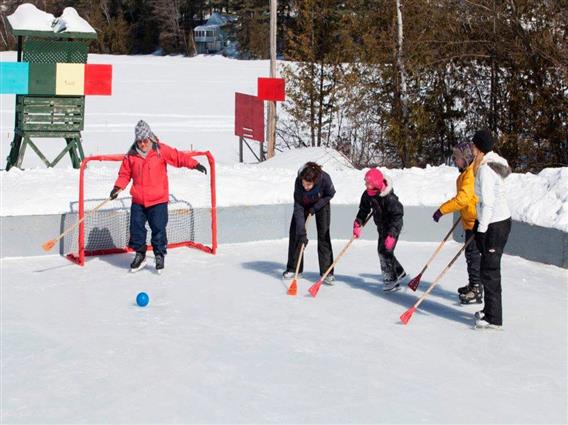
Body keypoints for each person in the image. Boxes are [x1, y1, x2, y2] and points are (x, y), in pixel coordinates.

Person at [110, 120, 207, 273]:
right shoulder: (131, 155)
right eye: (139, 141)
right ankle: (140, 255)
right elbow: (124, 174)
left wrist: (195, 164)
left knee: (159, 229)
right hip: (139, 200)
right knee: (136, 228)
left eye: (145, 140)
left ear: (150, 138)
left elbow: (178, 157)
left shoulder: (160, 150)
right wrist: (117, 187)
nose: (142, 144)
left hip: (158, 200)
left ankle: (159, 254)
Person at [471, 129, 512, 329]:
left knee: (490, 271)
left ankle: (494, 319)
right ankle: (489, 310)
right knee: (487, 267)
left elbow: (488, 203)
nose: (472, 149)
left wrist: (482, 230)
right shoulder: (495, 163)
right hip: (497, 222)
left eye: (473, 146)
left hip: (495, 224)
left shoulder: (487, 169)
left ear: (479, 148)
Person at [432, 141, 482, 304]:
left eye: (457, 157)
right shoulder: (466, 172)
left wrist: (442, 210)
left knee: (473, 256)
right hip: (469, 219)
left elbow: (463, 198)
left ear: (466, 158)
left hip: (475, 221)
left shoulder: (469, 175)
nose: (454, 160)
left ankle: (476, 289)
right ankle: (473, 284)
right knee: (470, 255)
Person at [352, 168, 406, 291]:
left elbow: (397, 217)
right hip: (381, 226)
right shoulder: (368, 194)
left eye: (368, 183)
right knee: (385, 251)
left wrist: (392, 235)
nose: (366, 185)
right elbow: (364, 209)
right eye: (365, 183)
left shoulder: (389, 198)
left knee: (383, 251)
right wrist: (358, 222)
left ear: (376, 184)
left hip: (392, 227)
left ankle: (391, 281)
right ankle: (399, 271)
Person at [283, 162, 336, 284]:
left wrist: (315, 207)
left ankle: (327, 272)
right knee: (296, 233)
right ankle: (294, 268)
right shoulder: (298, 182)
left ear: (315, 181)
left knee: (324, 234)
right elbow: (298, 207)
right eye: (304, 184)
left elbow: (330, 194)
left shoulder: (325, 179)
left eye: (309, 185)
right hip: (303, 204)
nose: (305, 187)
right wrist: (302, 233)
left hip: (321, 203)